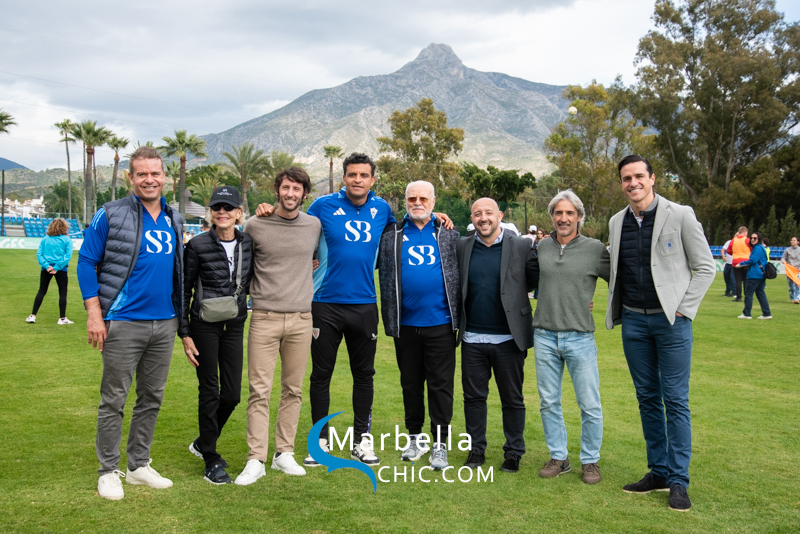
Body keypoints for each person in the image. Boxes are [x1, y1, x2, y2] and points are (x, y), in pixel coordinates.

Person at [605, 155, 714, 512]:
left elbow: (705, 267)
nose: (633, 183)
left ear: (652, 178)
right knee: (647, 398)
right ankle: (659, 472)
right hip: (634, 322)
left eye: (639, 176)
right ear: (621, 184)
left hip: (672, 323)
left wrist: (683, 308)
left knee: (676, 400)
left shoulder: (679, 214)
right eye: (626, 178)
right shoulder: (616, 222)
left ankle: (679, 481)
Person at [77, 146, 184, 501]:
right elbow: (86, 262)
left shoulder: (174, 217)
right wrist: (95, 314)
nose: (149, 180)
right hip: (123, 321)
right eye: (142, 174)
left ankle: (139, 465)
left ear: (164, 176)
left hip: (164, 323)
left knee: (151, 397)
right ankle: (108, 470)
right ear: (130, 177)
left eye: (155, 173)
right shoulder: (110, 213)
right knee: (114, 399)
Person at [234, 168, 321, 485]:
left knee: (293, 390)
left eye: (296, 189)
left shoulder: (314, 225)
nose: (290, 194)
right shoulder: (256, 224)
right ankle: (255, 459)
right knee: (259, 391)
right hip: (264, 317)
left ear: (304, 193)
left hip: (301, 318)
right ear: (277, 190)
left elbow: (317, 258)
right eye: (285, 188)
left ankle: (284, 453)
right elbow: (242, 266)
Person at [377, 180, 460, 470]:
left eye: (423, 198)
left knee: (441, 386)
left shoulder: (449, 234)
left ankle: (440, 444)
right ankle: (415, 438)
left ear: (433, 202)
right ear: (405, 201)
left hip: (441, 324)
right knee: (410, 385)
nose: (417, 203)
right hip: (405, 325)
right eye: (412, 198)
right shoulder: (391, 235)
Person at [456, 198, 538, 474]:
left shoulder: (521, 246)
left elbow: (539, 280)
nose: (483, 218)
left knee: (512, 399)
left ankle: (513, 452)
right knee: (473, 399)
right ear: (472, 218)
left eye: (489, 213)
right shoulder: (462, 246)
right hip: (472, 339)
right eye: (477, 213)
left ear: (500, 215)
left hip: (509, 339)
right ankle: (476, 449)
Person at [533, 190, 609, 485]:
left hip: (580, 337)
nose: (563, 218)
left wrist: (596, 304)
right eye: (558, 213)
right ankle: (558, 457)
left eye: (569, 213)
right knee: (549, 402)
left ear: (579, 217)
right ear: (552, 217)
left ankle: (590, 461)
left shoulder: (595, 249)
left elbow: (620, 279)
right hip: (544, 336)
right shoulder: (541, 247)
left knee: (590, 404)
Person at [181, 186, 253, 485]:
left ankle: (202, 442)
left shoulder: (248, 243)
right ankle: (210, 458)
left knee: (232, 394)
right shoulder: (196, 245)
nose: (222, 212)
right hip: (204, 325)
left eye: (228, 207)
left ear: (239, 213)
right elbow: (184, 288)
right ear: (211, 213)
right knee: (209, 390)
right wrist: (184, 332)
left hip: (234, 324)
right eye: (216, 208)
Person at [26, 218, 74, 325]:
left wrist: (47, 266)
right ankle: (62, 318)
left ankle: (32, 316)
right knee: (62, 292)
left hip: (47, 268)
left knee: (42, 290)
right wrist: (56, 267)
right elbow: (68, 256)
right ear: (64, 227)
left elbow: (39, 254)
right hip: (61, 268)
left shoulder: (45, 239)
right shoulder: (66, 240)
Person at [737, 232, 772, 320]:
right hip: (760, 274)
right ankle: (766, 313)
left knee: (749, 294)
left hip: (754, 274)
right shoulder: (760, 247)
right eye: (751, 238)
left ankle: (747, 313)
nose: (752, 239)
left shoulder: (757, 248)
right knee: (760, 294)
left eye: (755, 238)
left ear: (759, 239)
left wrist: (741, 264)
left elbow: (753, 260)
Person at [726, 227, 751, 302]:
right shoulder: (747, 240)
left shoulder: (733, 240)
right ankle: (747, 296)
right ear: (745, 232)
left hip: (736, 262)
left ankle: (738, 297)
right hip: (746, 261)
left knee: (738, 280)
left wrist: (735, 253)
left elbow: (729, 251)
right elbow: (752, 249)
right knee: (746, 280)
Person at [781, 237, 800, 303]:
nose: (792, 241)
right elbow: (783, 258)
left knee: (798, 284)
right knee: (791, 285)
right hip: (790, 270)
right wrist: (783, 261)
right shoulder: (787, 250)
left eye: (794, 240)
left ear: (798, 242)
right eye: (791, 240)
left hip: (797, 270)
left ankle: (797, 298)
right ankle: (792, 298)